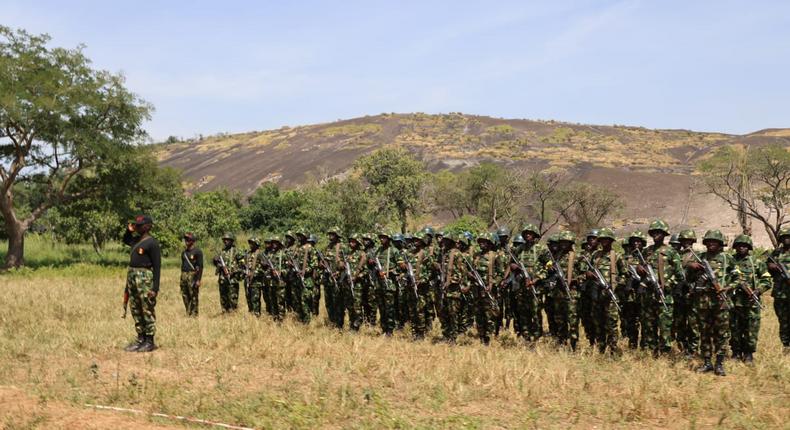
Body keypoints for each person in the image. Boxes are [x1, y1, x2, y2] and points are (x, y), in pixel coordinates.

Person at [687, 230, 734, 376]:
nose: (711, 244)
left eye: (715, 241)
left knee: (722, 334)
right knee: (705, 333)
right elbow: (689, 279)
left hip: (720, 301)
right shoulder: (700, 258)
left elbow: (738, 278)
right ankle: (707, 362)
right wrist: (691, 268)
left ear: (720, 244)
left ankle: (719, 364)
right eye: (709, 241)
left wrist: (727, 287)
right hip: (702, 302)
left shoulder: (727, 259)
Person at [729, 234, 772, 363]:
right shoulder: (730, 261)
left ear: (749, 247)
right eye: (739, 245)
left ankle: (748, 353)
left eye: (745, 245)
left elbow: (767, 280)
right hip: (734, 302)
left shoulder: (756, 262)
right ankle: (736, 352)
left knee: (751, 329)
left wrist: (758, 290)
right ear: (735, 247)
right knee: (734, 328)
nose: (742, 247)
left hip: (751, 302)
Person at [122, 215, 161, 353]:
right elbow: (126, 240)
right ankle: (140, 338)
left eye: (140, 225)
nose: (137, 227)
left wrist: (155, 289)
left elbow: (157, 267)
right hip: (133, 277)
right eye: (136, 225)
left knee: (146, 308)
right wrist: (129, 231)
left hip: (145, 279)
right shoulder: (136, 240)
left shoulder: (152, 243)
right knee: (136, 308)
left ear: (148, 226)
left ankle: (149, 340)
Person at [585, 228, 623, 355]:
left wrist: (614, 286)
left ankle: (613, 349)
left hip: (610, 296)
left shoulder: (616, 256)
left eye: (607, 239)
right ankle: (601, 347)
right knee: (597, 321)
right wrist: (588, 274)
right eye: (602, 240)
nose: (604, 242)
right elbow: (587, 270)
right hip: (596, 294)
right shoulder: (595, 255)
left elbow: (625, 275)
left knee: (611, 323)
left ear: (611, 241)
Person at [767, 227, 790, 352]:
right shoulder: (776, 253)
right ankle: (786, 346)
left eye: (788, 237)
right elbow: (767, 265)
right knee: (783, 320)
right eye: (784, 237)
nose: (786, 239)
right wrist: (772, 266)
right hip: (780, 293)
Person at [213, 233, 242, 313]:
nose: (225, 241)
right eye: (224, 240)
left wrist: (233, 271)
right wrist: (215, 261)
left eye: (227, 240)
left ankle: (233, 314)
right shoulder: (222, 251)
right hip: (222, 279)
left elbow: (242, 265)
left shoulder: (237, 251)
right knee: (223, 297)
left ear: (232, 241)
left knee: (232, 298)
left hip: (232, 279)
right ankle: (224, 312)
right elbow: (217, 264)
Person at [179, 232, 203, 317]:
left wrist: (198, 280)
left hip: (192, 275)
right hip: (184, 275)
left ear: (193, 241)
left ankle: (194, 314)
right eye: (185, 239)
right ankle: (188, 311)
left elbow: (200, 267)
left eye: (188, 239)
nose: (186, 241)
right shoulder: (184, 253)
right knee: (185, 294)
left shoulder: (198, 252)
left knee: (193, 295)